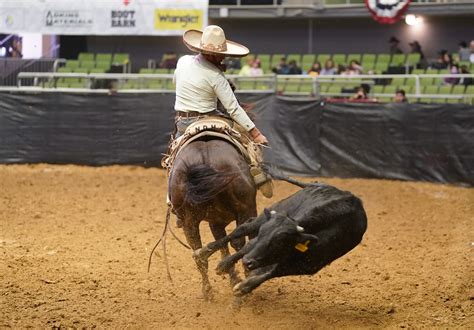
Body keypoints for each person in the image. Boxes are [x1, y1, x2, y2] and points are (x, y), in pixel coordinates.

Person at [173, 25, 272, 196]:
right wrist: (255, 133)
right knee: (246, 141)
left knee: (173, 155)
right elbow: (233, 109)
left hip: (183, 123)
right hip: (211, 118)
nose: (224, 57)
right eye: (221, 54)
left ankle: (171, 196)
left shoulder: (183, 61)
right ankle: (258, 173)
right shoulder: (216, 76)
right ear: (213, 54)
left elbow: (176, 82)